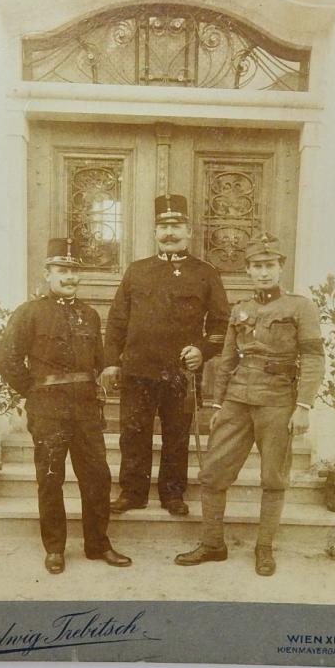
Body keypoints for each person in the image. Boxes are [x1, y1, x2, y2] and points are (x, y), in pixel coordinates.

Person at [175, 233, 325, 575]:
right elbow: (227, 359)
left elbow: (314, 357)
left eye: (269, 265)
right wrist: (216, 406)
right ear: (247, 270)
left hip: (277, 402)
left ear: (280, 268)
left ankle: (264, 548)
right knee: (213, 474)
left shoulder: (301, 307)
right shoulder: (241, 309)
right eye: (256, 266)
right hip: (237, 401)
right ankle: (213, 544)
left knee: (273, 479)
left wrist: (304, 406)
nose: (263, 273)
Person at [0, 238, 131, 574]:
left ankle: (98, 544)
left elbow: (98, 362)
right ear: (48, 273)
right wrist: (34, 391)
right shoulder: (29, 313)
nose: (69, 277)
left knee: (97, 477)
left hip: (85, 409)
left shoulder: (88, 314)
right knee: (51, 478)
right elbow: (7, 359)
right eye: (62, 270)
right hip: (48, 409)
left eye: (73, 271)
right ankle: (54, 549)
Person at [102, 194, 230, 517]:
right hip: (138, 369)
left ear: (188, 230)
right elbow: (117, 321)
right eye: (163, 226)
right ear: (155, 232)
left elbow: (221, 325)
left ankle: (173, 493)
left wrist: (202, 350)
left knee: (176, 435)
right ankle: (133, 492)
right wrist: (110, 363)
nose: (169, 232)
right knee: (133, 433)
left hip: (180, 374)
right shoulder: (137, 271)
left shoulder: (205, 273)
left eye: (176, 225)